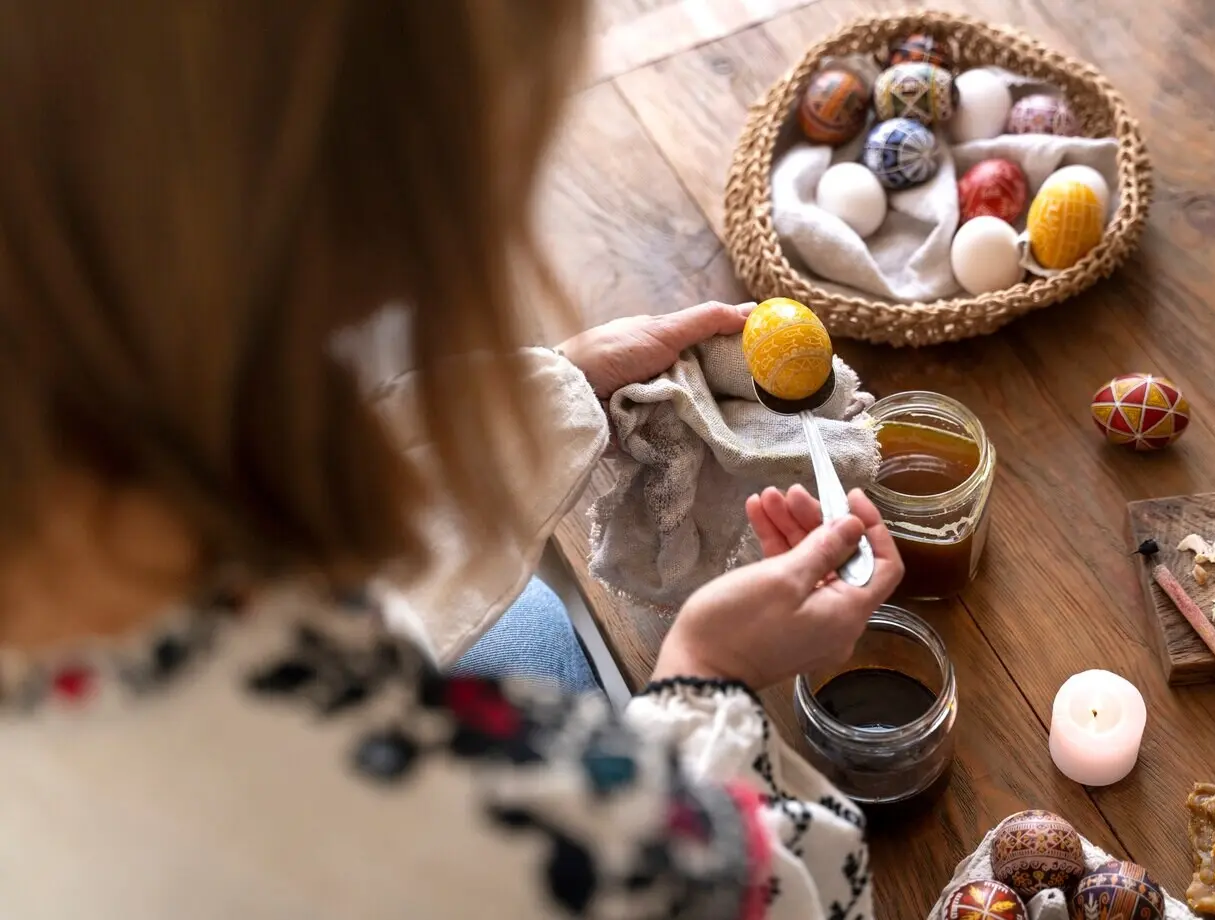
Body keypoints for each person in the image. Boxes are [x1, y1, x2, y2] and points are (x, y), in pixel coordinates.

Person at [0, 3, 906, 919]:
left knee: (547, 630)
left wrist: (569, 387)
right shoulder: (446, 833)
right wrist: (709, 678)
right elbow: (784, 893)